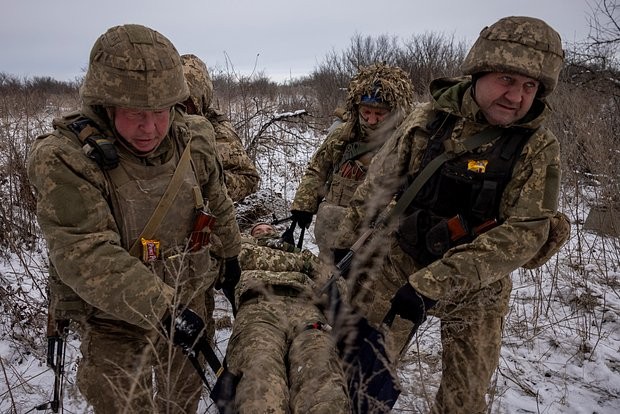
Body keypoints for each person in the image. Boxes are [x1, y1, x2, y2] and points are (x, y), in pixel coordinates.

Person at [333, 16, 565, 413]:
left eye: (530, 87)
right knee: (358, 375)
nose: (517, 96)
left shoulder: (538, 148)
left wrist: (434, 283)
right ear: (479, 72)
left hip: (479, 290)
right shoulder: (426, 120)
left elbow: (524, 234)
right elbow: (377, 185)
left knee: (464, 399)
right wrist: (345, 243)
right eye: (507, 80)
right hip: (401, 261)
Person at [27, 24, 242, 413]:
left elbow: (217, 200)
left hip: (190, 300)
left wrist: (230, 257)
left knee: (182, 399)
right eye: (134, 114)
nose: (150, 128)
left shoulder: (194, 136)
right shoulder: (65, 157)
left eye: (161, 112)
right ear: (106, 105)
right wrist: (163, 308)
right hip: (117, 321)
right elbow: (86, 253)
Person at [219, 222, 350, 413]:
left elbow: (338, 285)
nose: (265, 232)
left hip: (306, 308)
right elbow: (241, 259)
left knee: (321, 370)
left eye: (270, 230)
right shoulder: (240, 248)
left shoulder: (300, 252)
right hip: (259, 307)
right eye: (259, 231)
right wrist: (301, 263)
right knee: (260, 368)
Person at [290, 63, 414, 263]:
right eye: (366, 112)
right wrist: (303, 205)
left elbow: (410, 193)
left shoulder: (407, 142)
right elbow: (317, 170)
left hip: (377, 243)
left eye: (379, 114)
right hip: (331, 234)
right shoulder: (342, 136)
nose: (371, 120)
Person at [181, 53, 260, 203]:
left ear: (200, 98)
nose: (180, 109)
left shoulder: (218, 131)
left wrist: (208, 183)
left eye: (187, 102)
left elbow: (249, 179)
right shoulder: (156, 122)